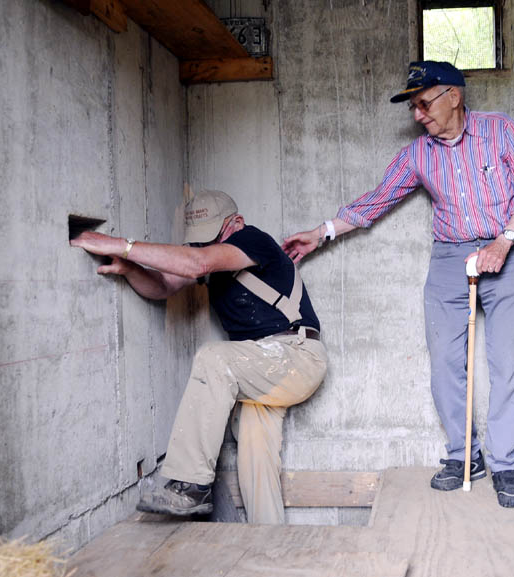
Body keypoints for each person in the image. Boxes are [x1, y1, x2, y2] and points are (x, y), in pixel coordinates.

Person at [282, 61, 514, 508]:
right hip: (450, 256)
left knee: (509, 360)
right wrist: (321, 231)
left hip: (508, 247)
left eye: (423, 104)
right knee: (445, 361)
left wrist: (504, 241)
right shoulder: (418, 155)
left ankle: (505, 465)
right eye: (413, 107)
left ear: (453, 97)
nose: (417, 116)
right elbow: (376, 200)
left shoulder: (500, 131)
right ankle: (466, 458)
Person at [71, 189, 327, 524]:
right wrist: (129, 268)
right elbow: (163, 287)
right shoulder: (207, 256)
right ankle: (269, 542)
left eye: (213, 237)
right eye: (200, 241)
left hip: (296, 356)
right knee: (255, 458)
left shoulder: (253, 240)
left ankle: (191, 486)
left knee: (213, 359)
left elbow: (197, 264)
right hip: (260, 366)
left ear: (236, 223)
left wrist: (121, 244)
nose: (205, 247)